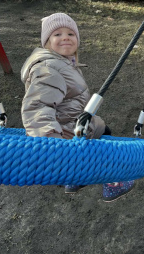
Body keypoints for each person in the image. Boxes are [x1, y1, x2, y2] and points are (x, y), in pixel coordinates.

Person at [20, 13, 134, 202]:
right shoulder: (48, 68)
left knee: (103, 129)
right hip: (64, 134)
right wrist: (52, 147)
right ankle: (113, 184)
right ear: (47, 42)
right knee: (104, 148)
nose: (65, 37)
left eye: (70, 34)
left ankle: (74, 180)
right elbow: (37, 107)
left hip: (73, 122)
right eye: (57, 34)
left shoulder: (63, 63)